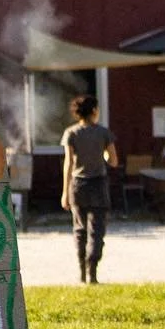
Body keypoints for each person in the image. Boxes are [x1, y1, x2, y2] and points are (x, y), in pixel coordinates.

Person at [60, 94, 115, 284]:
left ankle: (82, 274)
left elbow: (68, 163)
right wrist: (103, 156)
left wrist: (65, 192)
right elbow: (113, 160)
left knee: (80, 230)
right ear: (94, 111)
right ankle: (93, 272)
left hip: (77, 185)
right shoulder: (104, 133)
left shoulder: (71, 133)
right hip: (98, 184)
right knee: (96, 230)